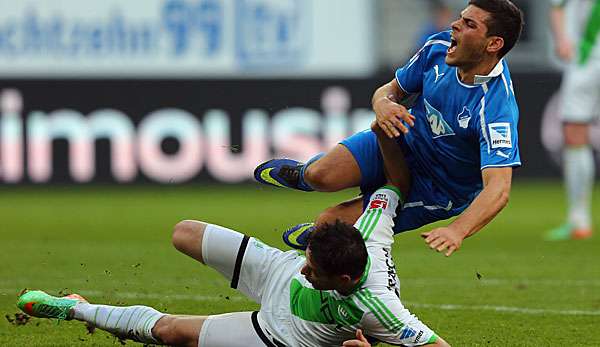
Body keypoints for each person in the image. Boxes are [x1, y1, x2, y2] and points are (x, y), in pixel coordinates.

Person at [17, 125, 450, 347]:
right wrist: (384, 134)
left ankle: (78, 309)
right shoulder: (370, 231)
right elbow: (395, 184)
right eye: (309, 257)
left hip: (281, 333)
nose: (306, 266)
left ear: (342, 282)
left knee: (171, 333)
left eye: (313, 269)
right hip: (271, 272)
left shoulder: (379, 308)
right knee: (184, 232)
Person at [254, 0, 524, 257]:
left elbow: (498, 189)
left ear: (494, 44)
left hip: (436, 187)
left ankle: (321, 234)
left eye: (469, 24)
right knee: (320, 175)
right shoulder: (439, 47)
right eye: (460, 18)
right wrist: (383, 103)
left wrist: (457, 230)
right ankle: (304, 175)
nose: (455, 25)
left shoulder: (495, 108)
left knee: (329, 225)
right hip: (401, 140)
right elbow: (391, 90)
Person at [544, 0, 598, 240]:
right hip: (587, 57)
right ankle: (579, 220)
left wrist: (562, 40)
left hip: (588, 59)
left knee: (575, 134)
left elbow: (557, 7)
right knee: (575, 134)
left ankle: (579, 219)